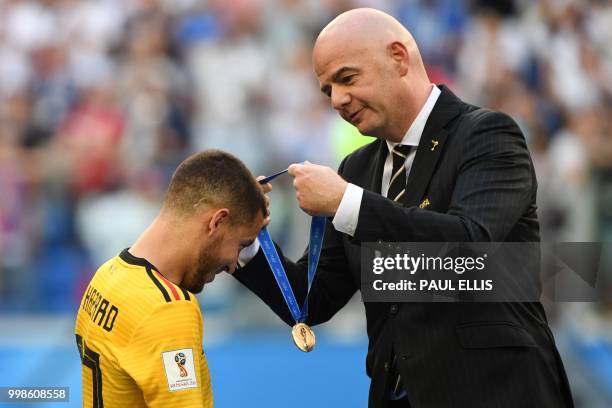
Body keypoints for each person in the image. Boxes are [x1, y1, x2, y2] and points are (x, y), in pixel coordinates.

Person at [235, 8, 574, 408]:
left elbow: (471, 247)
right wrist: (248, 242)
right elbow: (314, 299)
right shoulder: (356, 168)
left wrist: (347, 202)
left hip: (496, 392)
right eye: (328, 91)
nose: (338, 100)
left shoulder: (487, 134)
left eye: (347, 78)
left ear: (399, 57)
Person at [75, 150, 266, 407]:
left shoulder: (107, 275)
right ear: (217, 222)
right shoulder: (168, 308)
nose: (234, 264)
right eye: (242, 244)